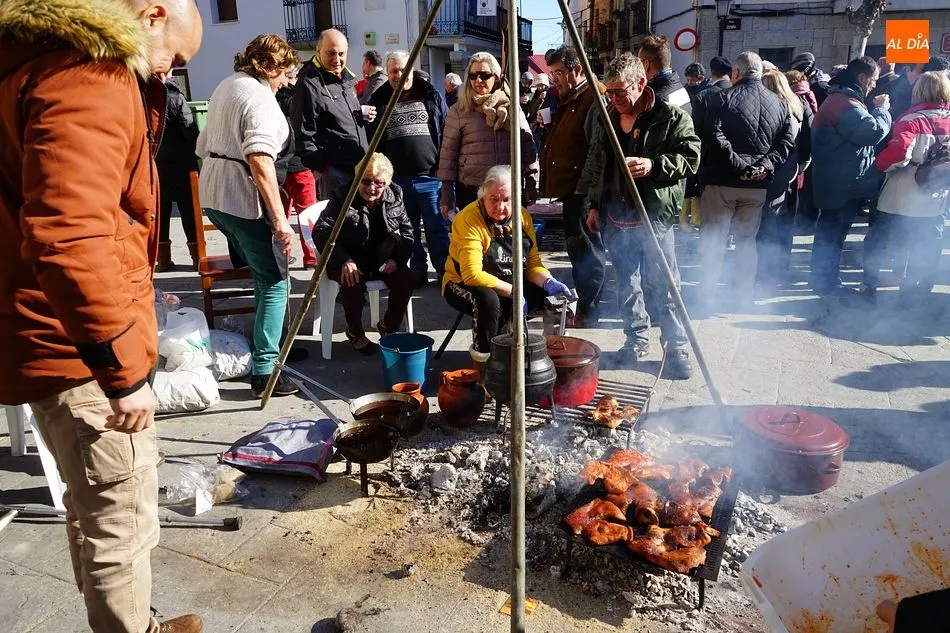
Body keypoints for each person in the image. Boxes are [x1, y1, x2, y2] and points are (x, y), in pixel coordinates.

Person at [0, 1, 203, 631]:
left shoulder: (27, 60)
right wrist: (121, 367)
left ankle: (129, 622)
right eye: (175, 57)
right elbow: (68, 236)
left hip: (42, 328)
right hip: (74, 348)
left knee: (91, 507)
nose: (168, 73)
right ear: (152, 15)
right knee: (123, 518)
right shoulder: (87, 73)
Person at [583, 53, 700, 378]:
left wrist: (655, 165)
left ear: (641, 83)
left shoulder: (671, 117)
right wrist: (594, 205)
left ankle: (676, 347)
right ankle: (635, 340)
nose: (614, 98)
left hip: (654, 218)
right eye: (609, 92)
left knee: (664, 285)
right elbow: (598, 164)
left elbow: (691, 157)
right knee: (626, 284)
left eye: (620, 91)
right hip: (616, 218)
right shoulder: (607, 117)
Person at [197, 34, 301, 398]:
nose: (287, 81)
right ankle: (266, 370)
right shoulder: (259, 97)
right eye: (285, 73)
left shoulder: (226, 85)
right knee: (275, 281)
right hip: (240, 200)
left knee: (261, 274)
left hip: (214, 196)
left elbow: (202, 144)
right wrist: (280, 220)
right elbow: (259, 159)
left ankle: (272, 346)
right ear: (269, 66)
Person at [442, 165, 570, 380]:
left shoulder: (522, 217)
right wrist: (513, 292)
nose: (500, 207)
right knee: (489, 302)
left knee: (549, 297)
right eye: (493, 199)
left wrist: (548, 281)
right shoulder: (469, 219)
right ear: (483, 195)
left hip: (507, 279)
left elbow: (532, 263)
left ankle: (547, 358)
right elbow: (472, 274)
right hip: (462, 282)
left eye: (507, 200)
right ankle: (486, 371)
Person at [699, 51, 795, 308]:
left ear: (737, 73)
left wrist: (740, 166)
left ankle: (707, 298)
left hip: (722, 183)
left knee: (714, 242)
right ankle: (743, 297)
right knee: (746, 242)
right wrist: (762, 166)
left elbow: (714, 136)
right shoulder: (779, 102)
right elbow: (787, 142)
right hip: (756, 185)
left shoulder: (722, 98)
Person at [312, 153, 415, 353]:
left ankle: (389, 326)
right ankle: (355, 332)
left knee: (407, 279)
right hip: (349, 259)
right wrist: (344, 259)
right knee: (352, 283)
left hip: (381, 258)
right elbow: (321, 231)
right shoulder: (343, 196)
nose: (371, 188)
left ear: (387, 183)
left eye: (378, 183)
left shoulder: (395, 195)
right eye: (365, 181)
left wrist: (397, 259)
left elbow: (407, 232)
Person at [861, 71, 950, 304]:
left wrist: (877, 166)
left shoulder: (912, 119)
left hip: (902, 195)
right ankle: (917, 291)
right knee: (926, 244)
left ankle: (870, 286)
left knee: (878, 240)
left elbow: (899, 154)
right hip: (936, 195)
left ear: (919, 91)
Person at [809, 56, 891, 295]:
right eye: (873, 80)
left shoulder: (841, 99)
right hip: (840, 185)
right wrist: (882, 111)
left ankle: (824, 280)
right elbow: (872, 132)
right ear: (862, 78)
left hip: (836, 181)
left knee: (830, 235)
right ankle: (826, 284)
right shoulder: (844, 104)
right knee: (832, 236)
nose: (874, 86)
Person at [368, 50, 449, 287]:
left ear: (411, 69)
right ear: (387, 73)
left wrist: (444, 169)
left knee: (436, 228)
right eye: (393, 71)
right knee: (407, 230)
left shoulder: (430, 94)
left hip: (430, 177)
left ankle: (444, 271)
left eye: (403, 69)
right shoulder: (379, 99)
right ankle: (417, 271)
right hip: (398, 180)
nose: (399, 75)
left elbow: (445, 131)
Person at [540, 45, 607, 326]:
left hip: (582, 191)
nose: (554, 79)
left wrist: (584, 190)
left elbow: (597, 149)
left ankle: (589, 312)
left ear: (577, 69)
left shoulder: (593, 97)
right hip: (572, 189)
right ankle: (586, 308)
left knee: (586, 253)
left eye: (559, 73)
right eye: (552, 73)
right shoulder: (572, 96)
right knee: (579, 251)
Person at [437, 52, 539, 216]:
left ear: (496, 77)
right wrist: (447, 191)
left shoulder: (511, 106)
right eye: (473, 75)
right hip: (472, 190)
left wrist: (531, 179)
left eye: (484, 75)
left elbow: (527, 144)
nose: (478, 80)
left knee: (510, 232)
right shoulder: (459, 110)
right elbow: (448, 152)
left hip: (508, 189)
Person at [292, 28, 375, 200]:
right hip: (336, 175)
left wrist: (360, 115)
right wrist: (325, 169)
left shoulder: (345, 77)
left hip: (358, 170)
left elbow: (336, 116)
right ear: (318, 51)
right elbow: (303, 134)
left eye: (341, 54)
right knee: (337, 217)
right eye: (331, 53)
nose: (337, 59)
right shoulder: (309, 83)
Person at [756, 70, 810, 291]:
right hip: (790, 172)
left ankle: (765, 274)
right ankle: (780, 270)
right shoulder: (798, 105)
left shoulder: (772, 108)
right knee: (785, 224)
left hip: (772, 172)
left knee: (767, 225)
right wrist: (799, 167)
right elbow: (807, 143)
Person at [275, 65, 319, 268]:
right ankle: (311, 257)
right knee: (307, 214)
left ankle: (282, 256)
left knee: (280, 215)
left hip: (278, 165)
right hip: (300, 164)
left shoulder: (270, 97)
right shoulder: (299, 97)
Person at [156, 76, 199, 271]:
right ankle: (197, 258)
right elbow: (189, 130)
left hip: (157, 162)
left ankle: (163, 260)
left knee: (161, 212)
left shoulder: (145, 96)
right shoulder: (176, 97)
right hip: (182, 162)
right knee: (188, 210)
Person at [637, 34, 691, 113]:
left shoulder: (654, 101)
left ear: (646, 64)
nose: (637, 67)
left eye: (639, 62)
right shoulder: (679, 86)